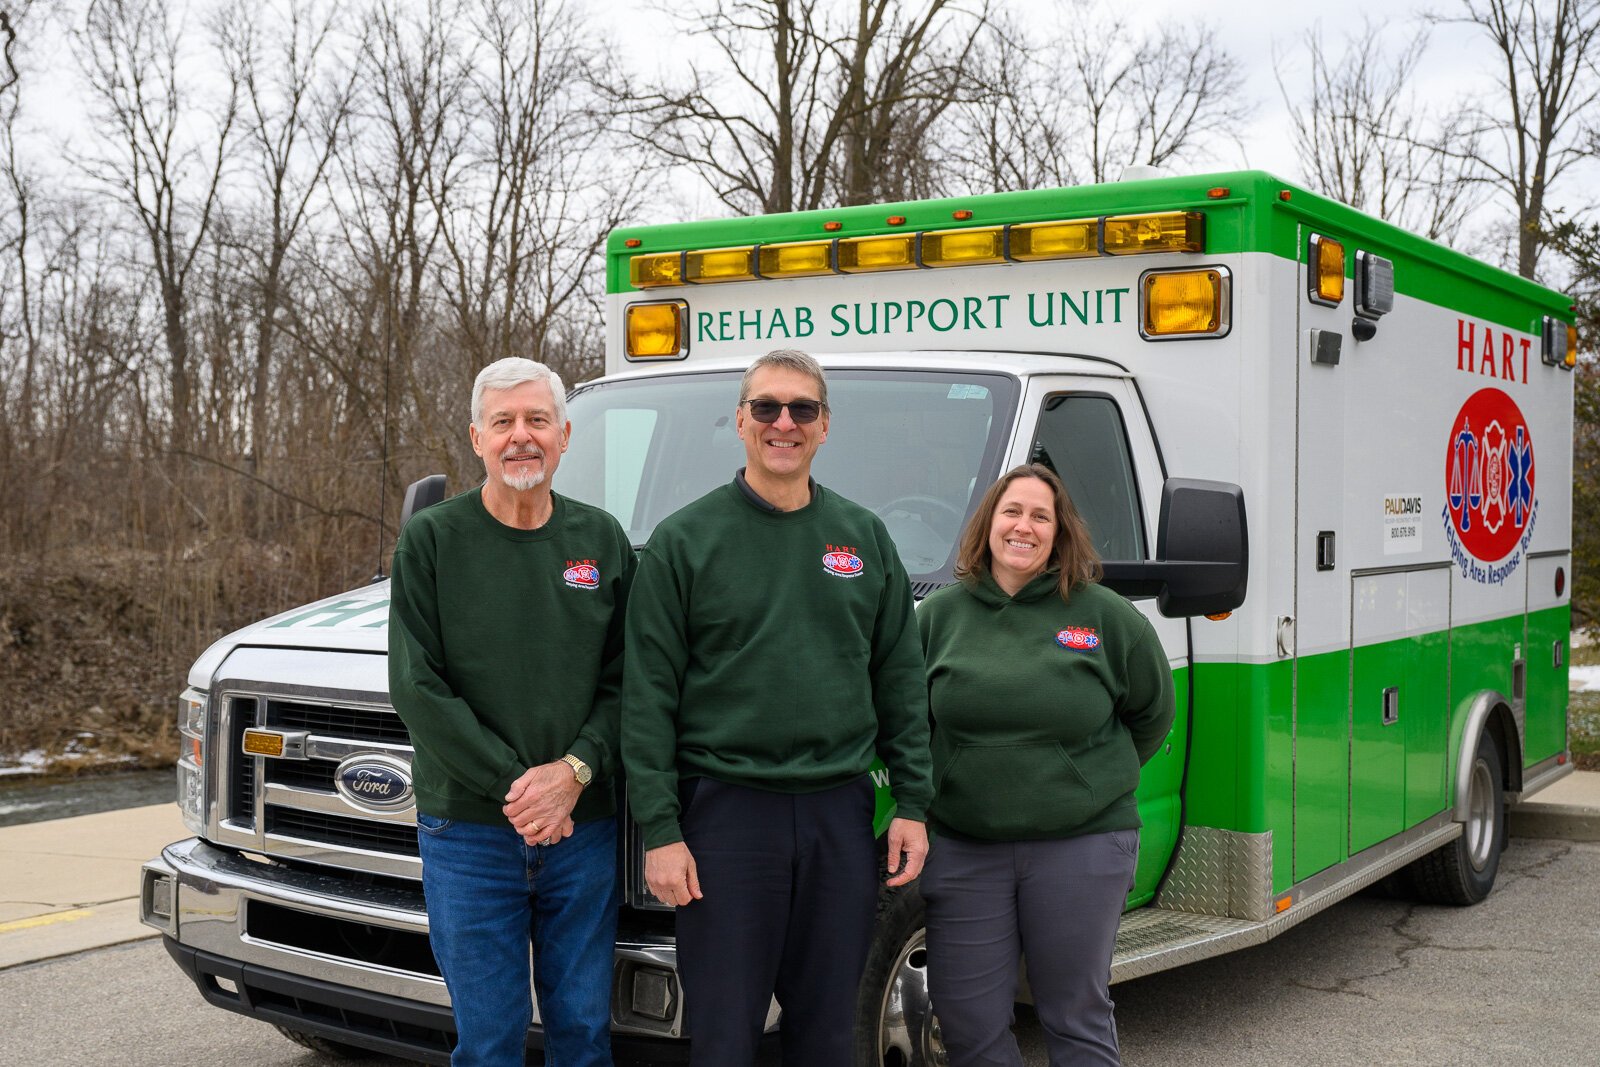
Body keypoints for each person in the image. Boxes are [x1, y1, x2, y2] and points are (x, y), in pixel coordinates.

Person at [622, 348, 934, 1066]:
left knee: (829, 1032)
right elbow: (647, 698)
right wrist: (661, 829)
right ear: (740, 421)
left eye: (802, 409)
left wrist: (914, 802)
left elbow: (900, 680)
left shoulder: (864, 538)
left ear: (826, 426)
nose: (783, 422)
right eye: (767, 407)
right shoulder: (684, 541)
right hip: (726, 819)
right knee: (725, 1035)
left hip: (840, 815)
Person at [388, 357, 635, 1067]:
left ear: (564, 434)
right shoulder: (434, 541)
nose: (520, 436)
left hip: (582, 831)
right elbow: (418, 686)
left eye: (536, 420)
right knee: (489, 1041)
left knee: (584, 1036)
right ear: (476, 437)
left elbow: (630, 680)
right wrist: (520, 787)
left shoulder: (602, 540)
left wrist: (575, 771)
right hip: (467, 832)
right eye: (503, 422)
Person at [915, 463, 1175, 1067]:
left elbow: (1151, 714)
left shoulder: (1106, 617)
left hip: (1081, 845)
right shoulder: (937, 619)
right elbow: (912, 724)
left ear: (1061, 534)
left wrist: (1084, 781)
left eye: (1040, 516)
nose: (1023, 527)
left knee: (1073, 1014)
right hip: (965, 848)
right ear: (987, 525)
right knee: (967, 1020)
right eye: (1012, 512)